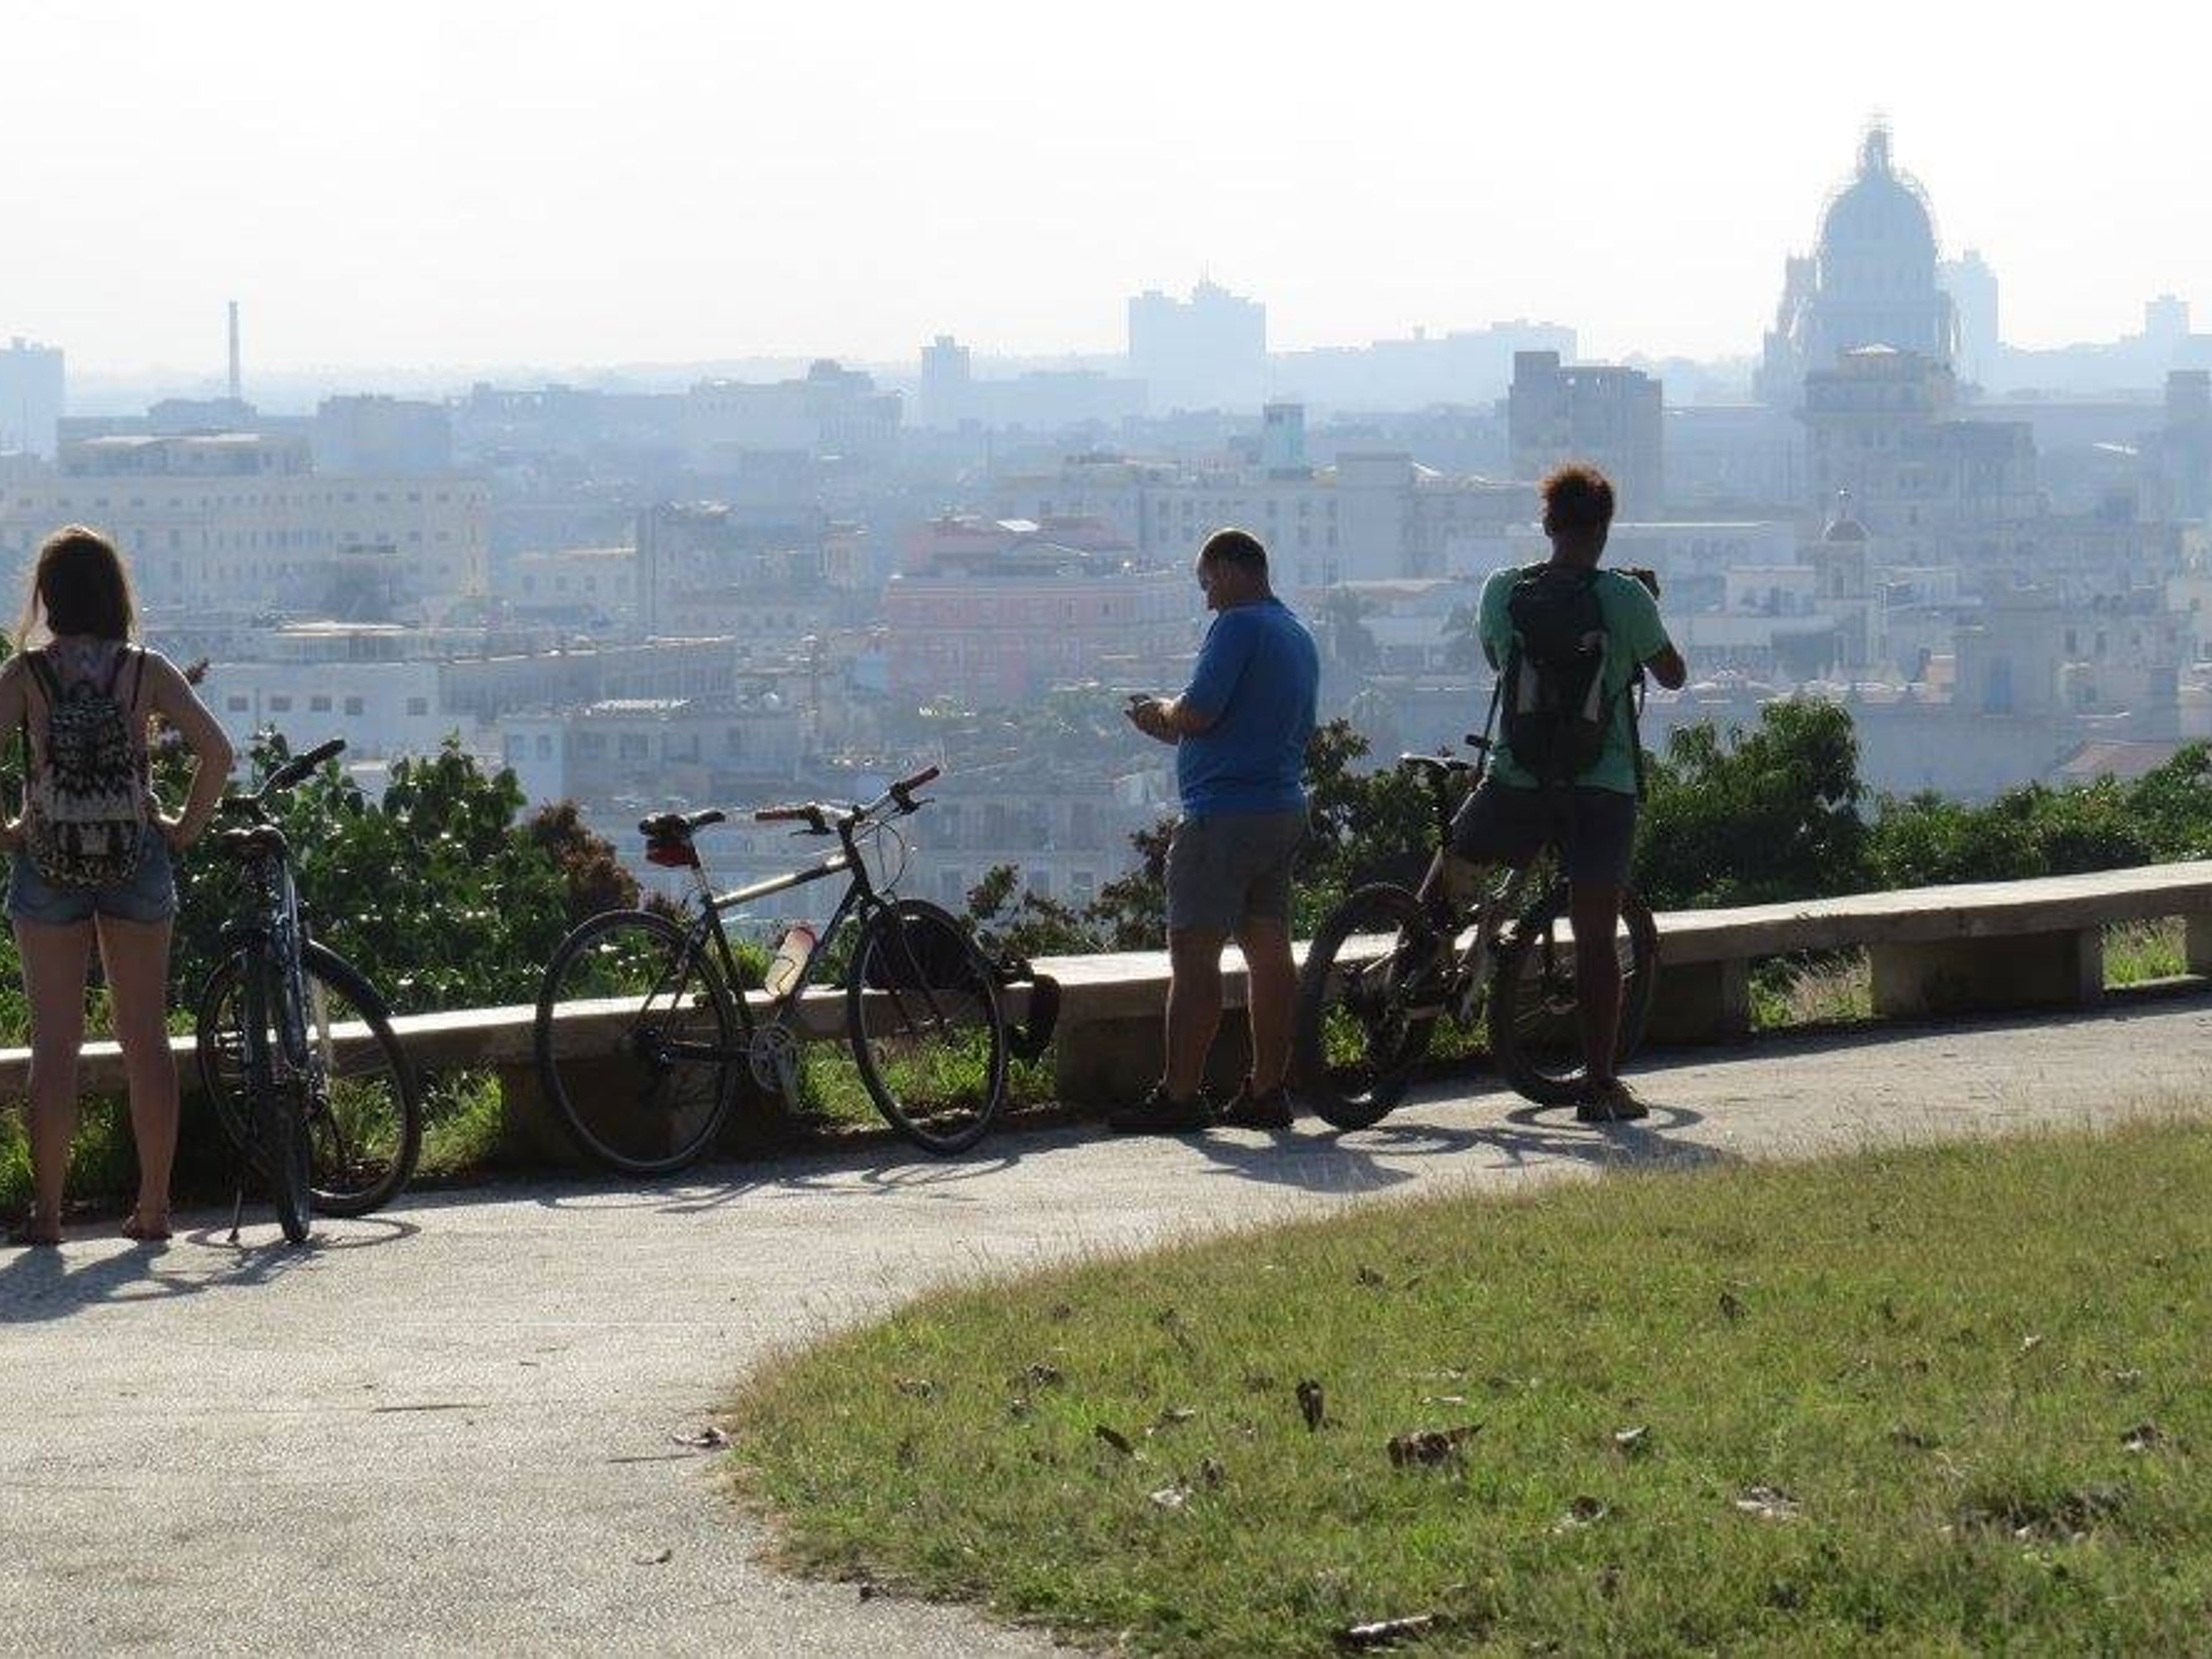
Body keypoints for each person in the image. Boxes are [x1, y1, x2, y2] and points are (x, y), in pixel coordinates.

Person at [1427, 465, 1685, 1124]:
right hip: (1601, 788)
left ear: (1547, 526)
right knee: (1596, 938)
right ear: (1604, 529)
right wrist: (1641, 616)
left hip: (1516, 778)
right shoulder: (1625, 597)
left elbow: (1498, 662)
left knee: (1447, 877)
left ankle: (1413, 979)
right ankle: (1599, 1087)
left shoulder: (1503, 591)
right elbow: (1673, 675)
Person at [2, 527, 234, 1247]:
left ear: (47, 597)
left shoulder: (26, 676)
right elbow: (217, 753)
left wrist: (10, 828)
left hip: (49, 863)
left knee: (55, 1046)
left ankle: (47, 1214)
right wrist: (183, 828)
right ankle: (155, 1207)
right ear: (116, 593)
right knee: (145, 1041)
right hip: (136, 858)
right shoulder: (145, 671)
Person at [1116, 527, 1319, 1133]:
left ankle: (1180, 1095)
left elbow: (1199, 712)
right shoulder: (1296, 632)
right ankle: (1267, 1089)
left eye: (1207, 584)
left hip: (1223, 817)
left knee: (1194, 954)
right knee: (1269, 954)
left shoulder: (1238, 627)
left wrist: (1161, 714)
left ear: (1231, 572)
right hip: (1280, 808)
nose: (1206, 600)